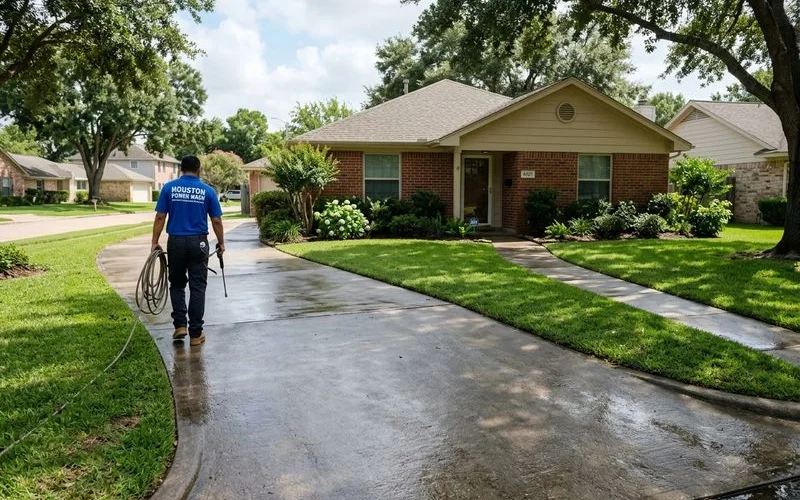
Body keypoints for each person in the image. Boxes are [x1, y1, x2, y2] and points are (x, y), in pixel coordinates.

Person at [151, 155, 224, 346]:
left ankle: (180, 326)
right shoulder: (208, 191)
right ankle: (195, 334)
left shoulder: (169, 188)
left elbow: (160, 217)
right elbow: (216, 220)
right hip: (198, 243)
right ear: (199, 170)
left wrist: (154, 242)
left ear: (181, 169)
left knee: (176, 284)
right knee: (197, 286)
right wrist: (221, 243)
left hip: (176, 242)